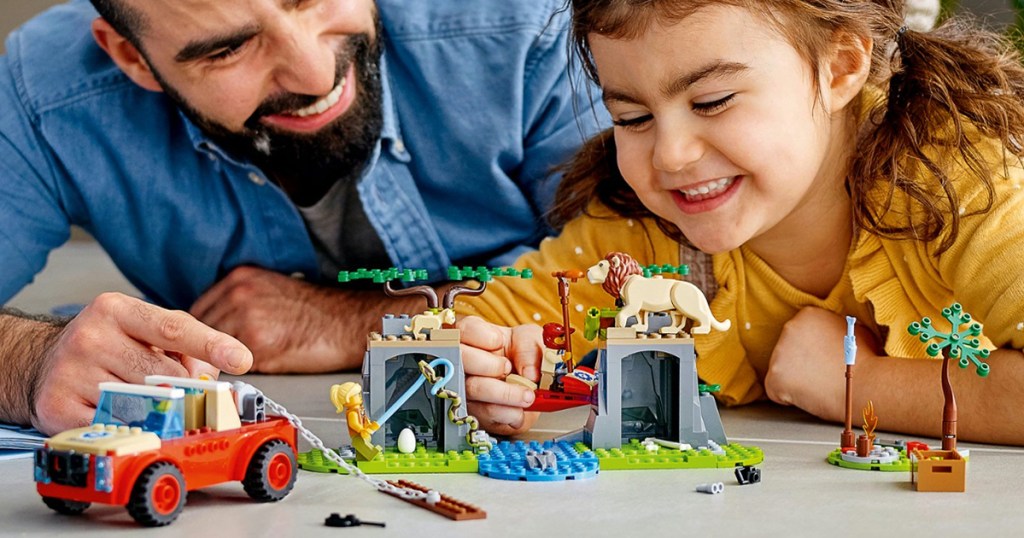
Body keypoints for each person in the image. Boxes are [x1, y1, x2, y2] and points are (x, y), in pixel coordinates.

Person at [0, 0, 607, 435]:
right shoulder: (46, 94)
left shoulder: (524, 22)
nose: (319, 76)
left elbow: (664, 264)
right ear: (131, 57)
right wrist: (30, 365)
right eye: (228, 48)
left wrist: (345, 323)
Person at [456, 0, 1024, 445]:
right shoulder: (642, 232)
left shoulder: (959, 184)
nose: (670, 156)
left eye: (712, 101)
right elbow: (474, 323)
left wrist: (857, 386)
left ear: (839, 67)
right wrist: (486, 368)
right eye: (633, 117)